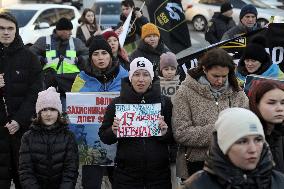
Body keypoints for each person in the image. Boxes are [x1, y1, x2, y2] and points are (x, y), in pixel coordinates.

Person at [172, 48, 249, 180]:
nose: (220, 81)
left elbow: (247, 128)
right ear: (204, 69)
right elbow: (181, 133)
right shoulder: (184, 93)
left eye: (224, 76)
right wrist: (219, 130)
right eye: (215, 76)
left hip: (233, 163)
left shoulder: (238, 94)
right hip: (197, 165)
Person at [99, 57, 173, 189]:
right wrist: (113, 131)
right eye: (136, 74)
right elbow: (104, 136)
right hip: (126, 177)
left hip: (159, 177)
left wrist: (165, 133)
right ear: (130, 78)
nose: (141, 79)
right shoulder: (117, 103)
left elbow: (175, 137)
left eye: (146, 74)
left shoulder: (164, 103)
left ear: (151, 78)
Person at [71, 36, 128, 189]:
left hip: (120, 145)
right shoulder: (80, 79)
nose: (100, 57)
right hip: (91, 146)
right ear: (90, 57)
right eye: (96, 54)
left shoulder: (126, 77)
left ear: (111, 54)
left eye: (104, 53)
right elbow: (73, 113)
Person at [182, 107, 284, 189]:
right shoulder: (196, 185)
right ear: (224, 145)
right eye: (242, 141)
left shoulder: (279, 182)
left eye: (258, 140)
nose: (253, 149)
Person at [0, 12, 42, 189]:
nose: (6, 32)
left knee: (24, 181)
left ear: (16, 31)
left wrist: (19, 120)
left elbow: (35, 93)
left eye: (10, 28)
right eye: (1, 28)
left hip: (22, 132)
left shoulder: (30, 58)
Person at [19, 87, 79, 189]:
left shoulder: (68, 137)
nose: (48, 114)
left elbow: (70, 171)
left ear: (59, 112)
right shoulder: (28, 137)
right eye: (44, 110)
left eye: (52, 109)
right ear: (39, 113)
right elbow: (25, 170)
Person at [30, 17, 89, 109]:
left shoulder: (76, 42)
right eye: (68, 30)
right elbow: (30, 55)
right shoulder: (44, 41)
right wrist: (41, 59)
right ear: (61, 31)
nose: (70, 33)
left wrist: (80, 59)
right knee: (50, 109)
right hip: (49, 83)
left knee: (68, 110)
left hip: (70, 83)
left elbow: (88, 55)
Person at [249, 79, 284, 173]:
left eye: (283, 103)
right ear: (256, 104)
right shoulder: (246, 138)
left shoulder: (280, 134)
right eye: (271, 103)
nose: (280, 108)